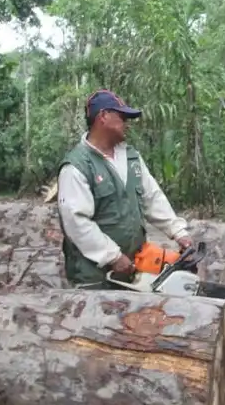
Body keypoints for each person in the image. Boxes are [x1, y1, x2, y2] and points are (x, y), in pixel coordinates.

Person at [56, 89, 193, 289]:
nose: (126, 124)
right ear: (103, 117)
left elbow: (152, 198)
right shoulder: (76, 167)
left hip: (133, 270)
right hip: (95, 278)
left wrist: (178, 232)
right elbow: (77, 223)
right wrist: (113, 256)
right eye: (122, 117)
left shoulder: (131, 157)